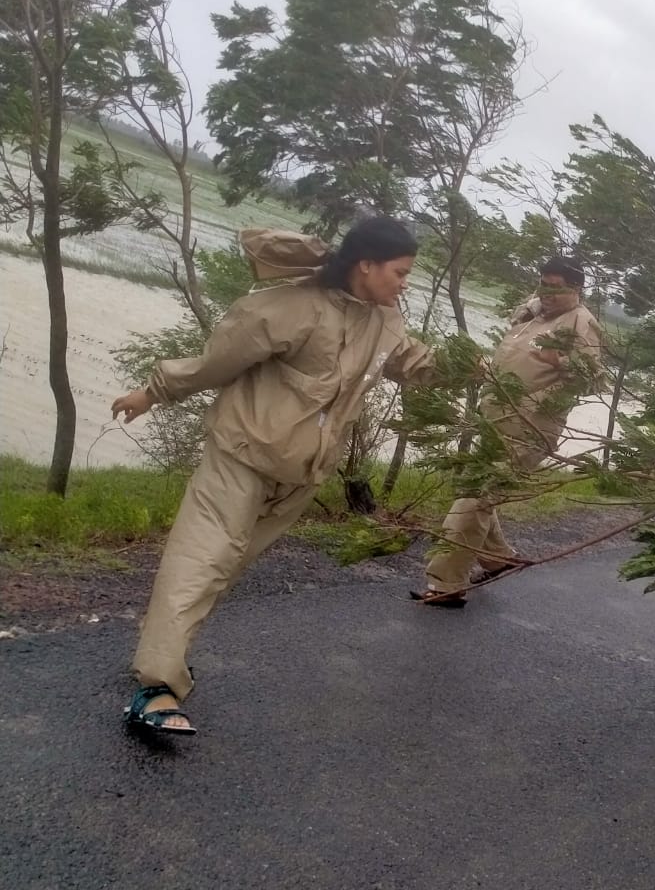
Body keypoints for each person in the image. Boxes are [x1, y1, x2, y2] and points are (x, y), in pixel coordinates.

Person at [112, 217, 456, 735]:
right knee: (200, 561)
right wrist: (153, 392)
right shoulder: (292, 308)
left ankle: (164, 650)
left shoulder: (383, 317)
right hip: (242, 456)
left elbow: (404, 359)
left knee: (224, 569)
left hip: (303, 474)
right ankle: (157, 686)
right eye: (400, 272)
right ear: (366, 265)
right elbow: (215, 363)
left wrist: (470, 368)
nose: (404, 282)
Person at [412, 257, 603, 608]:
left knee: (476, 496)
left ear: (575, 289)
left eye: (554, 286)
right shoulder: (534, 313)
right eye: (542, 283)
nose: (545, 292)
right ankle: (498, 559)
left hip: (530, 427)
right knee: (480, 493)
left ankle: (446, 585)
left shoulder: (581, 321)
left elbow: (592, 379)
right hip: (495, 419)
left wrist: (557, 362)